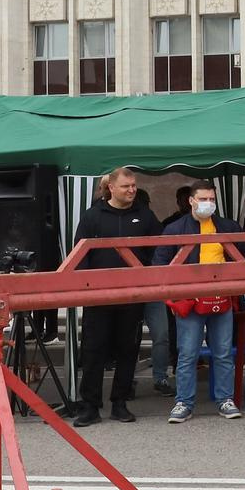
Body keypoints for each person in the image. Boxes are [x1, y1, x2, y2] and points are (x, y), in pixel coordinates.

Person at [72, 167, 158, 425]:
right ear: (111, 187)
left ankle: (120, 403)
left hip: (132, 298)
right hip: (98, 298)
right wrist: (86, 287)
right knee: (93, 351)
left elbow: (161, 249)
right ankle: (90, 406)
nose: (131, 190)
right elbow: (79, 254)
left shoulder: (145, 215)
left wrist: (149, 280)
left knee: (128, 349)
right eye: (126, 186)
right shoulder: (92, 216)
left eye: (133, 185)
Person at [159, 186, 245, 423]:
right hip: (190, 301)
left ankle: (225, 399)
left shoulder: (228, 226)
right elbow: (161, 263)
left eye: (212, 199)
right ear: (191, 201)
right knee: (187, 354)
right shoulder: (174, 229)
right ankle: (183, 402)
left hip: (222, 298)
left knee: (223, 353)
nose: (208, 202)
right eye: (203, 199)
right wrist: (176, 294)